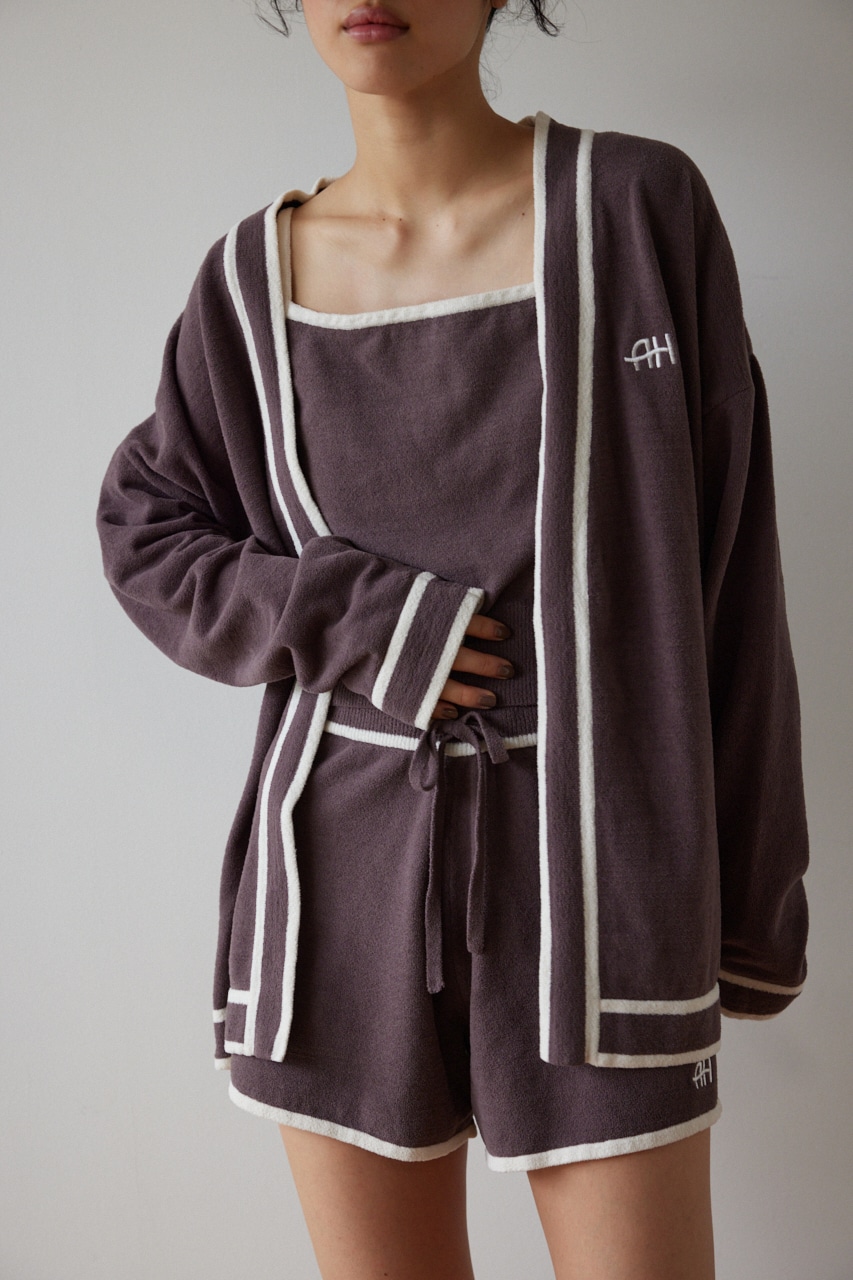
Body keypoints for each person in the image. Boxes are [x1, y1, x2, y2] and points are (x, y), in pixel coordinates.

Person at [95, 1, 811, 1276]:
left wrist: (750, 909)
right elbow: (145, 528)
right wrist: (358, 620)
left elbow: (733, 580)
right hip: (335, 899)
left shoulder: (636, 209)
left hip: (607, 899)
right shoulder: (247, 283)